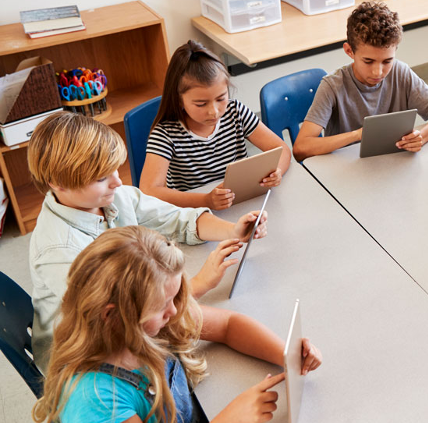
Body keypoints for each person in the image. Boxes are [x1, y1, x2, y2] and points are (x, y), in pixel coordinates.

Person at [32, 226, 322, 423]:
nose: (175, 310)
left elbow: (229, 325)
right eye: (162, 306)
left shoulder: (148, 323)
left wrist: (286, 354)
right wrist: (227, 422)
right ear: (112, 315)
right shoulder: (96, 401)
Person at [27, 112, 268, 372]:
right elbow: (121, 318)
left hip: (137, 317)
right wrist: (197, 285)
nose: (118, 182)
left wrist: (233, 230)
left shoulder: (113, 197)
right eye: (101, 178)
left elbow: (178, 218)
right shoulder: (58, 251)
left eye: (115, 169)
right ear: (58, 184)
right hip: (85, 357)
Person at [292, 1, 428, 158]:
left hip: (390, 164)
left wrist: (422, 136)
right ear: (349, 51)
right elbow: (301, 148)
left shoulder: (401, 72)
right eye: (368, 61)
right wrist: (357, 135)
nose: (378, 72)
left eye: (387, 61)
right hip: (346, 169)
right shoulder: (332, 86)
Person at [141, 40, 291, 210]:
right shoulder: (165, 134)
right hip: (195, 212)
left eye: (221, 99)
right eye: (201, 104)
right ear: (179, 99)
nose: (214, 111)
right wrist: (205, 200)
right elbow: (149, 191)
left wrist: (277, 171)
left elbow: (282, 149)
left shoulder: (236, 111)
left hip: (241, 203)